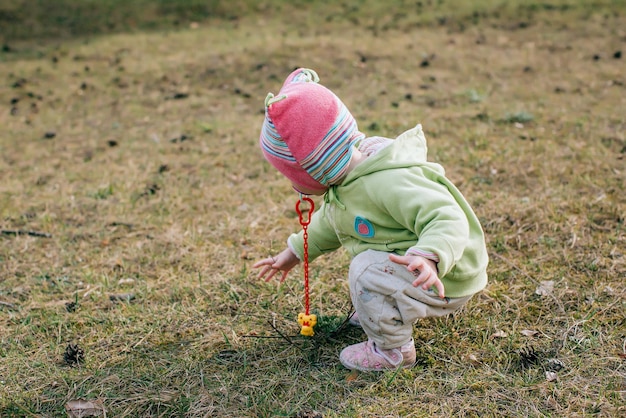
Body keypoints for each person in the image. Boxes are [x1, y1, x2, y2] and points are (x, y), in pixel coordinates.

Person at [253, 68, 488, 372]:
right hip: (424, 268)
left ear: (316, 169)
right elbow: (330, 223)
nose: (291, 185)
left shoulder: (386, 182)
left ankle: (392, 351)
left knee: (365, 271)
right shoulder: (350, 180)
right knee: (369, 266)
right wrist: (294, 252)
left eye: (291, 176)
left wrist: (429, 256)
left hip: (445, 273)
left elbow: (446, 216)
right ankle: (383, 307)